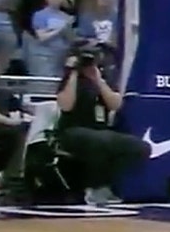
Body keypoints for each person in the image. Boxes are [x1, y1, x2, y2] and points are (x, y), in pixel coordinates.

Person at [54, 41, 149, 206]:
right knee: (100, 141)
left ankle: (109, 185)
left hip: (101, 131)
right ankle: (95, 188)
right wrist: (73, 72)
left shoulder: (101, 78)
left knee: (139, 147)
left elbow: (116, 105)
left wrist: (98, 79)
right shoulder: (70, 78)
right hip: (72, 131)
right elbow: (66, 106)